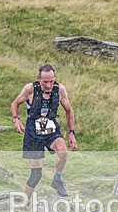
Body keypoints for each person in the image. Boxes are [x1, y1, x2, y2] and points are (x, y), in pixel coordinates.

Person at [10, 63, 77, 198]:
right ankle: (25, 202)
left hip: (51, 128)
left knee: (63, 153)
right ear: (38, 79)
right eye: (45, 82)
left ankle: (57, 179)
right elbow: (15, 103)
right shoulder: (30, 89)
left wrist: (71, 133)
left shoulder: (60, 90)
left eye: (51, 81)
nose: (48, 85)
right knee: (36, 175)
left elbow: (69, 111)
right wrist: (16, 119)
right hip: (33, 132)